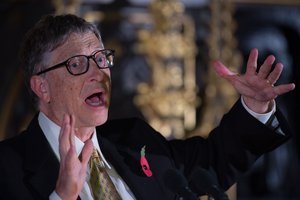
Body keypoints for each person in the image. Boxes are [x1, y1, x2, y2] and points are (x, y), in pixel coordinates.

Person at [0, 13, 295, 200]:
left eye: (102, 59)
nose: (97, 74)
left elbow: (211, 161)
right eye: (77, 64)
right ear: (42, 86)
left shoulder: (134, 139)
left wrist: (255, 106)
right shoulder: (7, 168)